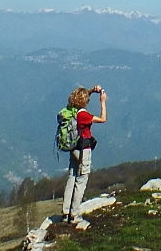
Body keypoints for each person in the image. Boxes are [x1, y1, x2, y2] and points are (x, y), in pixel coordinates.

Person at [61, 85, 107, 229]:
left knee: (72, 177)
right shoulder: (84, 116)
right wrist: (103, 101)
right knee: (81, 180)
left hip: (73, 149)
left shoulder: (70, 111)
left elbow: (82, 96)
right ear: (85, 101)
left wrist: (92, 91)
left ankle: (65, 212)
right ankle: (75, 215)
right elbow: (103, 119)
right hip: (83, 150)